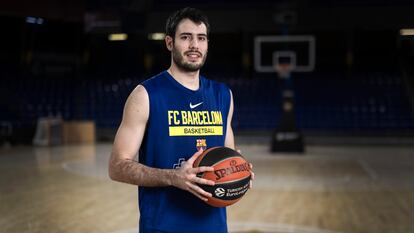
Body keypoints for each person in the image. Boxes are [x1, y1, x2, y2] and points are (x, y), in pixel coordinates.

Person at [108, 7, 253, 233]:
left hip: (214, 227)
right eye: (186, 37)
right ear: (169, 43)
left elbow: (227, 154)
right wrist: (173, 177)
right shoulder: (146, 95)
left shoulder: (223, 95)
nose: (195, 45)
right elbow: (117, 167)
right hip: (162, 227)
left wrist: (238, 172)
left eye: (201, 38)